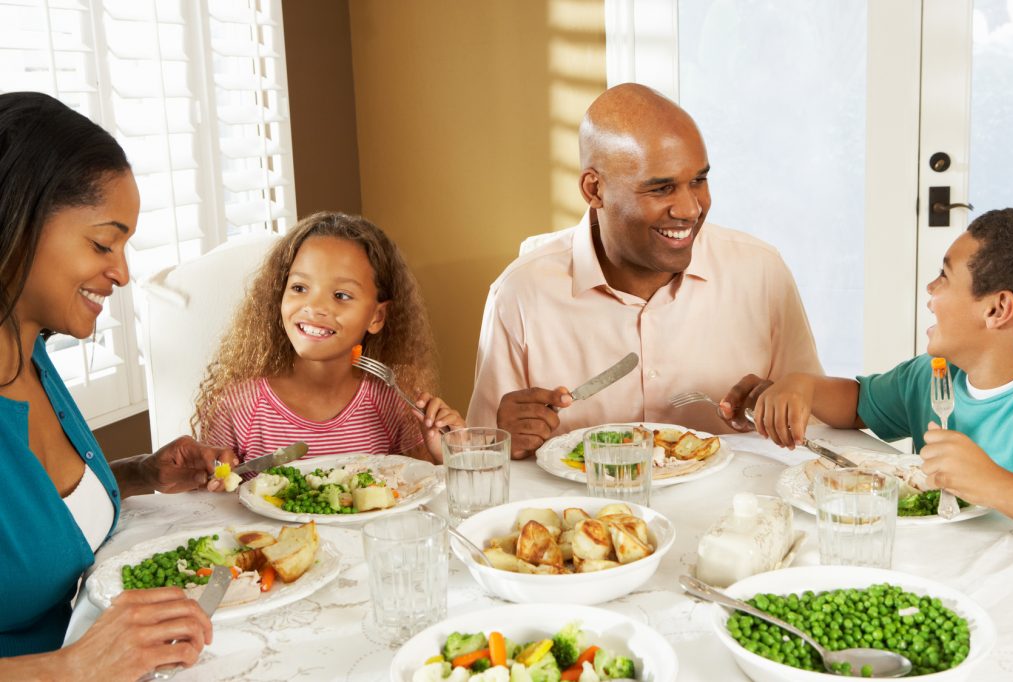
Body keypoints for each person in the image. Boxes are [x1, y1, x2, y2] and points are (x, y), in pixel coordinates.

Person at [0, 92, 236, 676]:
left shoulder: (28, 349)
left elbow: (34, 515)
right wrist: (72, 667)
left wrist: (137, 475)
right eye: (104, 243)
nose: (123, 272)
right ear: (17, 220)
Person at [466, 83, 822, 458]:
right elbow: (480, 461)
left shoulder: (762, 274)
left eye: (698, 181)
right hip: (586, 515)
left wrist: (781, 414)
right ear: (594, 189)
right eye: (662, 188)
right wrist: (498, 442)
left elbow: (817, 434)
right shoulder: (520, 295)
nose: (689, 209)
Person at [748, 208, 1013, 524]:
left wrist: (993, 483)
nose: (931, 287)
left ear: (997, 309)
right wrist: (803, 387)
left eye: (944, 277)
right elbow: (856, 404)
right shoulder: (931, 376)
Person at [192, 212, 464, 465]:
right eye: (299, 287)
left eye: (341, 295)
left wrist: (449, 457)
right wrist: (215, 479)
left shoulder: (393, 403)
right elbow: (210, 503)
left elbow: (420, 494)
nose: (315, 307)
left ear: (377, 317)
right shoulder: (238, 406)